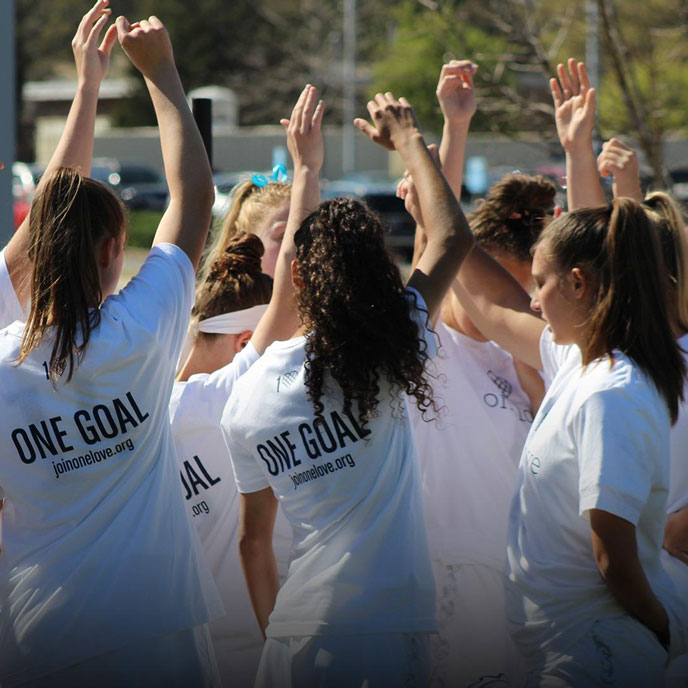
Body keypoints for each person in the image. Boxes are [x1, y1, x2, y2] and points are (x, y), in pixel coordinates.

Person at [221, 84, 475, 687]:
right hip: (381, 634)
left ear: (300, 277)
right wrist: (411, 141)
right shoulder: (384, 352)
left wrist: (276, 638)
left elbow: (252, 545)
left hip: (290, 637)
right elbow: (452, 238)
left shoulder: (247, 397)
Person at [444, 58, 686, 687]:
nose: (533, 298)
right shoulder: (583, 357)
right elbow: (503, 299)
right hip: (571, 640)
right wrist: (577, 150)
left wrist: (657, 624)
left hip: (609, 640)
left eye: (543, 283)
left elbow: (613, 551)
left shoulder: (616, 385)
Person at [0, 5, 223, 686]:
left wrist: (89, 88)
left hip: (39, 635)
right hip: (157, 629)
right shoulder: (141, 332)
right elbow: (193, 199)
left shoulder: (4, 370)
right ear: (111, 250)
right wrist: (161, 76)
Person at [400, 60, 552, 687]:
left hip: (523, 582)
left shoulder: (532, 365)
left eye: (536, 294)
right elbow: (440, 238)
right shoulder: (425, 344)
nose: (529, 308)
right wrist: (452, 129)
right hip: (443, 582)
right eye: (521, 291)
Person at [170, 231, 292, 687]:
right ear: (245, 345)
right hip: (248, 652)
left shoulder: (140, 409)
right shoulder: (224, 397)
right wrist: (308, 172)